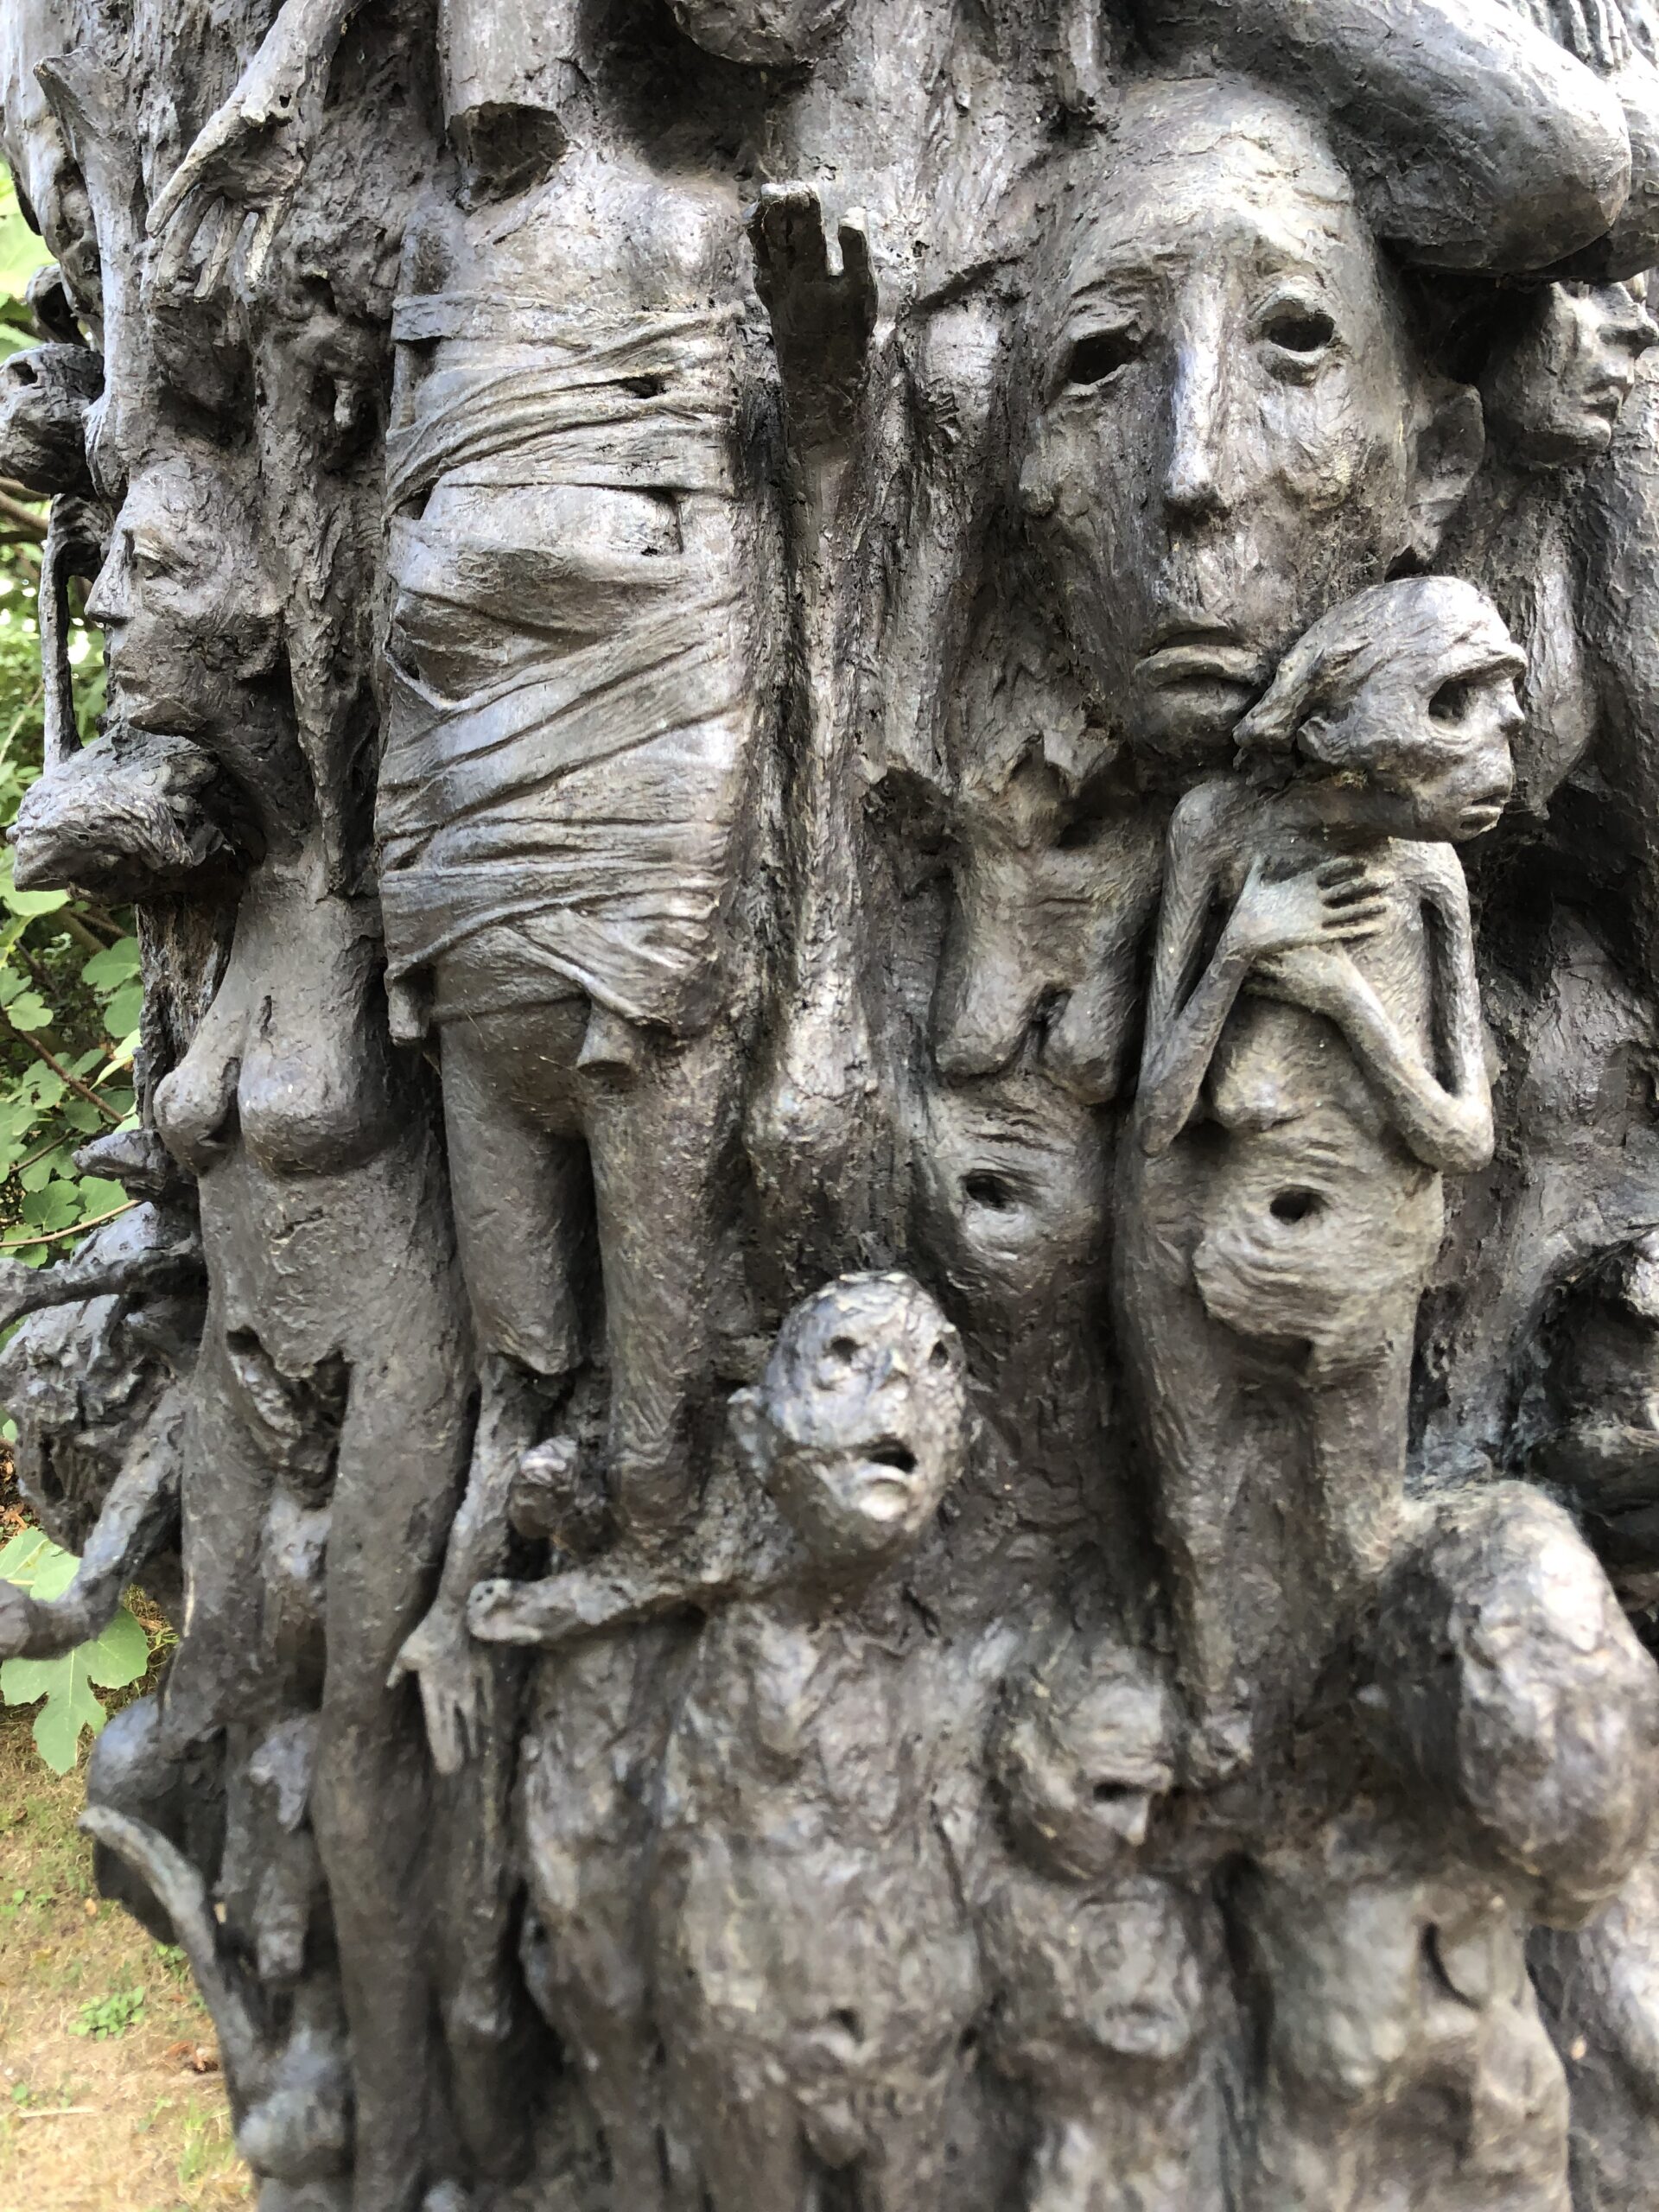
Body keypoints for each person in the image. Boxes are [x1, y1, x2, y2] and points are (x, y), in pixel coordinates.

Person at [469, 1274, 986, 2212]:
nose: (896, 1391)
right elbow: (635, 1586)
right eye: (845, 1363)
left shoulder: (955, 1645)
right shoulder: (747, 1574)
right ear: (753, 1435)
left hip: (891, 2008)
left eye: (934, 1364)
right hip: (736, 1992)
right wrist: (526, 1610)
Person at [1124, 576, 1522, 1774]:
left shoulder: (1429, 879)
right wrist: (1242, 948)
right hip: (1201, 1243)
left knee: (1355, 1530)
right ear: (1338, 720)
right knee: (1195, 1512)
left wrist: (1346, 1001)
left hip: (1365, 1262)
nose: (1500, 756)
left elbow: (1462, 1136)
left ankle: (1353, 1737)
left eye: (1504, 710)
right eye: (1453, 707)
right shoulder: (1216, 829)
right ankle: (1213, 1715)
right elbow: (1159, 1116)